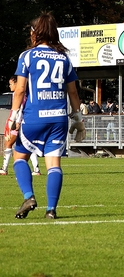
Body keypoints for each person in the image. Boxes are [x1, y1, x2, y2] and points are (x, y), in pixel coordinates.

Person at [9, 13, 84, 220]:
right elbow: (73, 92)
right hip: (58, 118)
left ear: (35, 33)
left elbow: (20, 89)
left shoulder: (27, 56)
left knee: (19, 156)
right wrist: (78, 120)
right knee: (54, 164)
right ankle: (51, 210)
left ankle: (28, 196)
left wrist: (13, 116)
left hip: (34, 116)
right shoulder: (64, 58)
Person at [1, 77, 41, 177]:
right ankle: (36, 169)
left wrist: (16, 121)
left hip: (19, 122)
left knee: (8, 143)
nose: (10, 86)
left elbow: (20, 107)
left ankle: (4, 169)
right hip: (25, 121)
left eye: (11, 84)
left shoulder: (18, 93)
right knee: (28, 145)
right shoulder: (26, 93)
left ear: (16, 83)